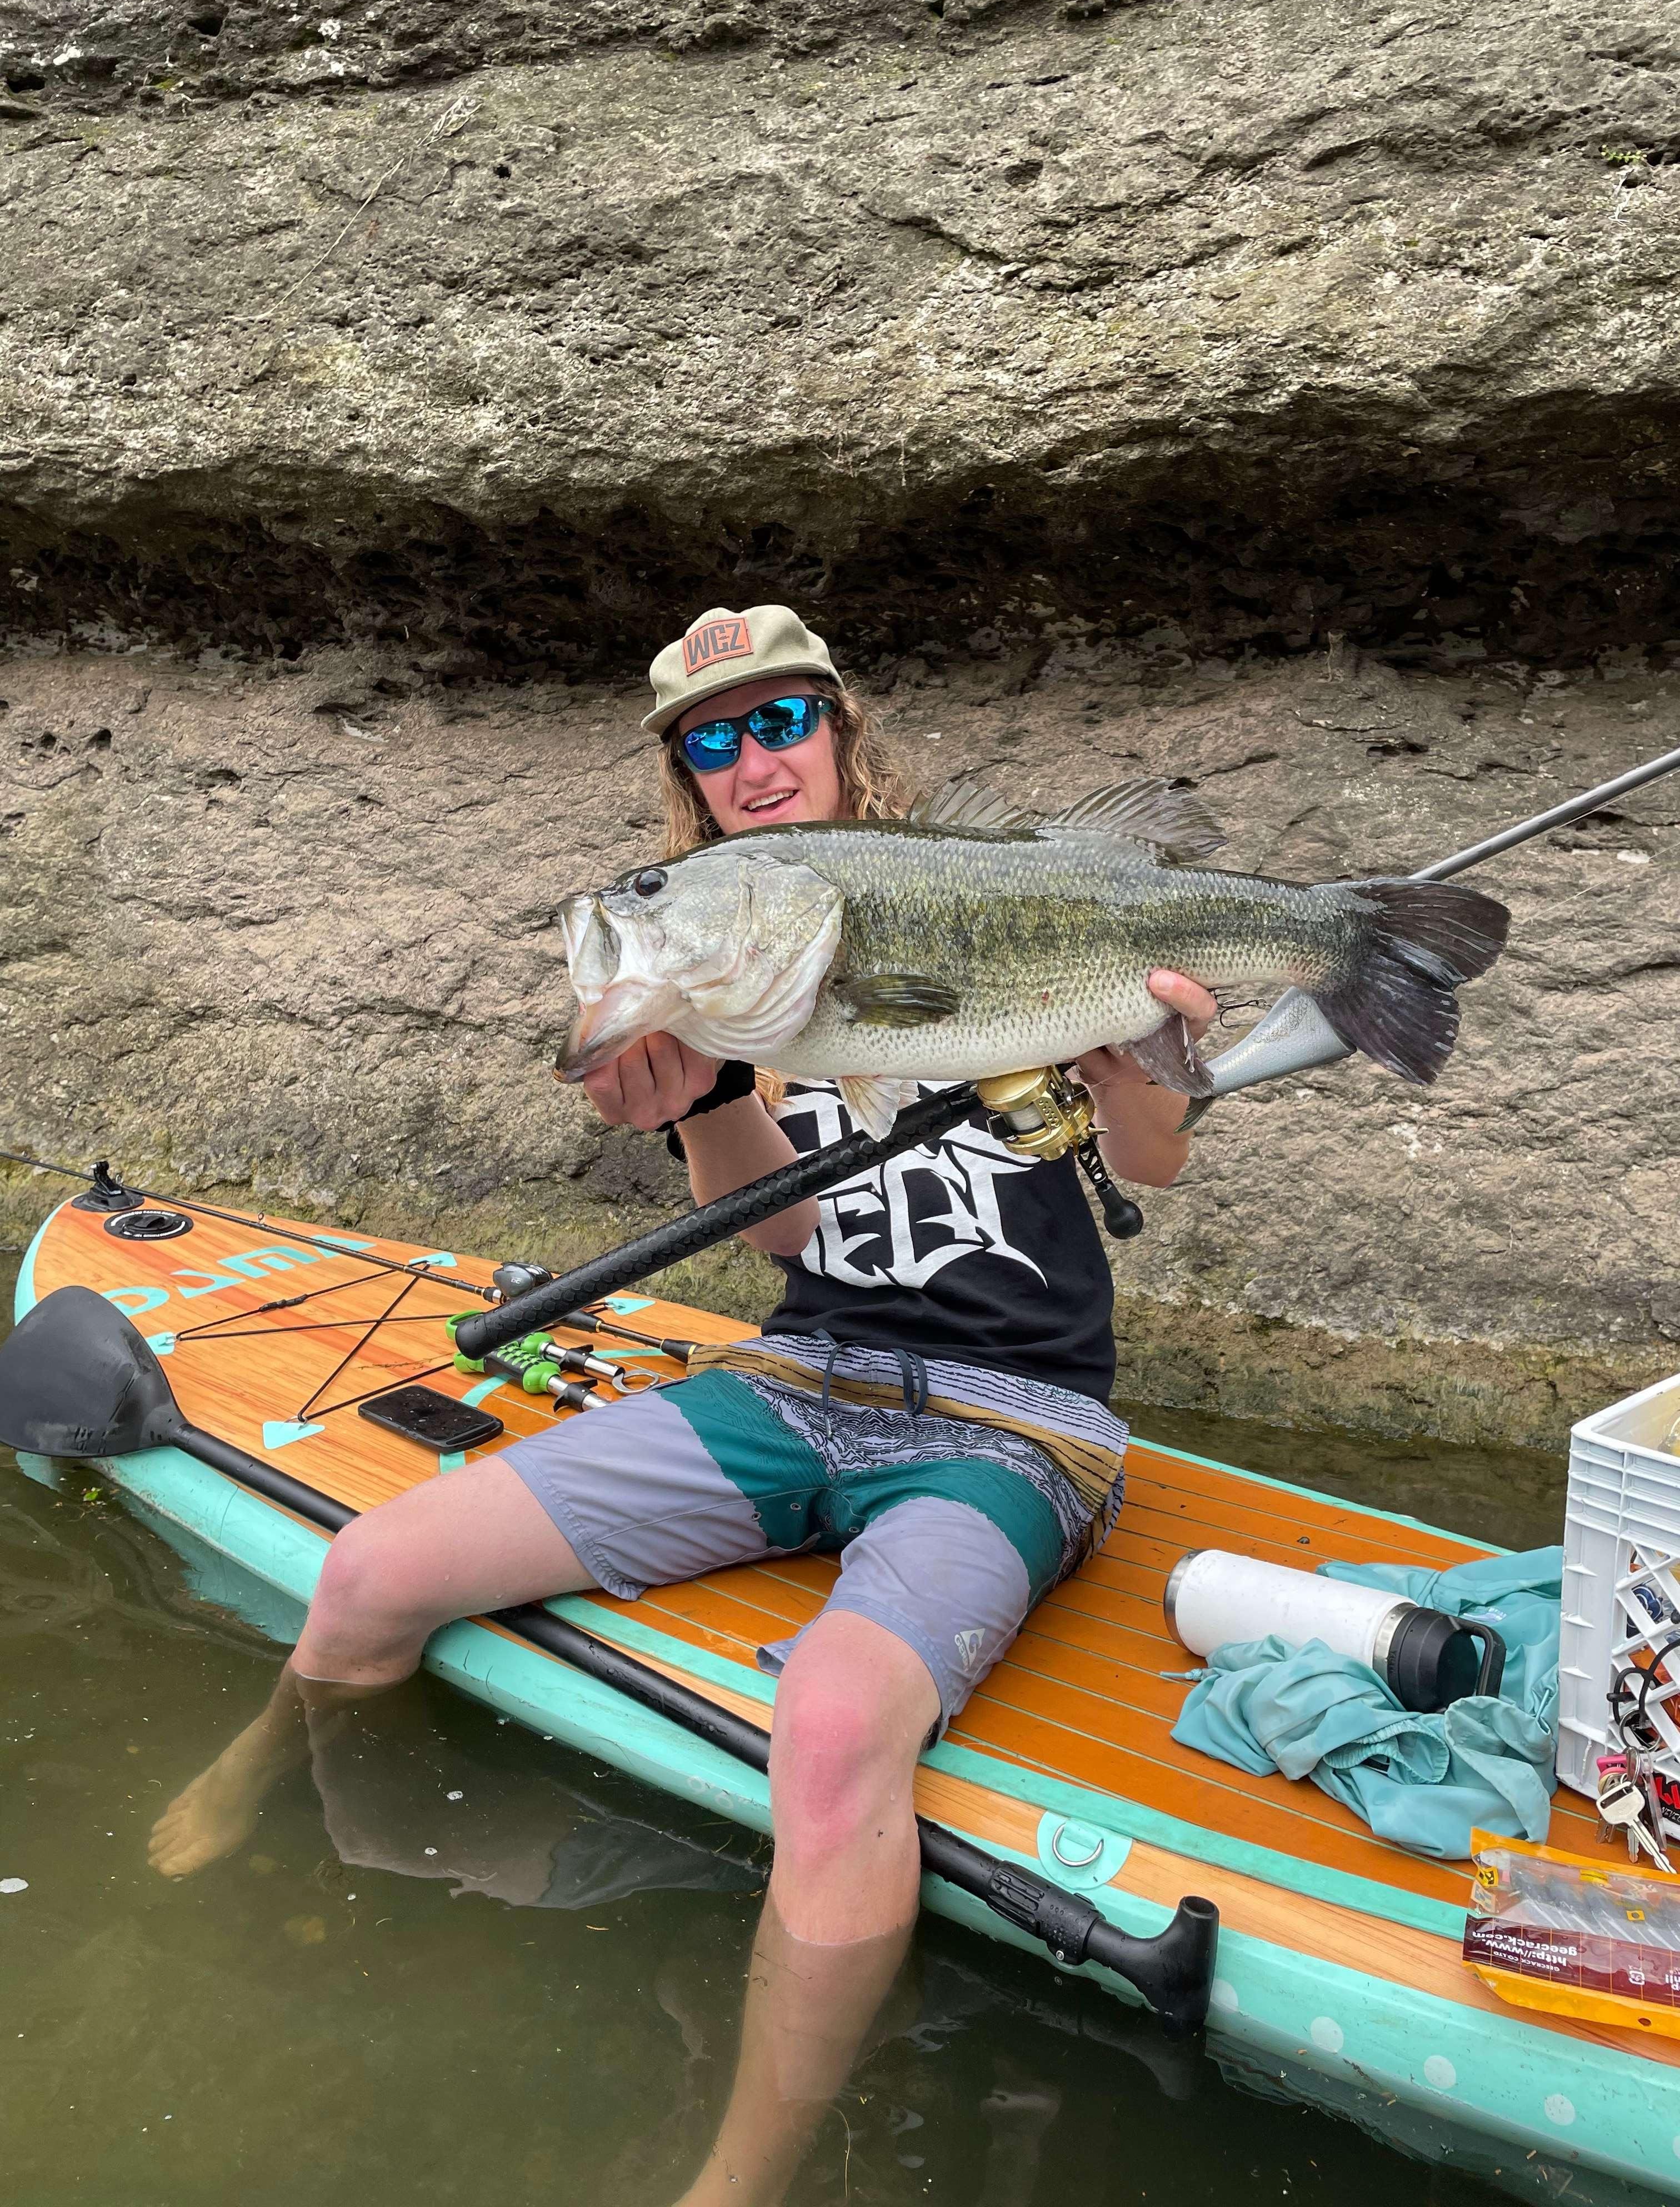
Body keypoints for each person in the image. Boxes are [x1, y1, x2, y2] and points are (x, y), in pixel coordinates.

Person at [149, 603, 1217, 2205]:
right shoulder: (712, 964)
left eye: (780, 720)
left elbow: (1152, 1164)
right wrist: (709, 1092)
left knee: (834, 1728)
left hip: (1016, 1419)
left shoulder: (996, 896)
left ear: (838, 731)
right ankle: (267, 1757)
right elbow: (783, 1233)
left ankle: (743, 2179)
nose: (752, 759)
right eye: (712, 741)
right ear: (688, 780)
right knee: (368, 1571)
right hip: (799, 1379)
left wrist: (1144, 1068)